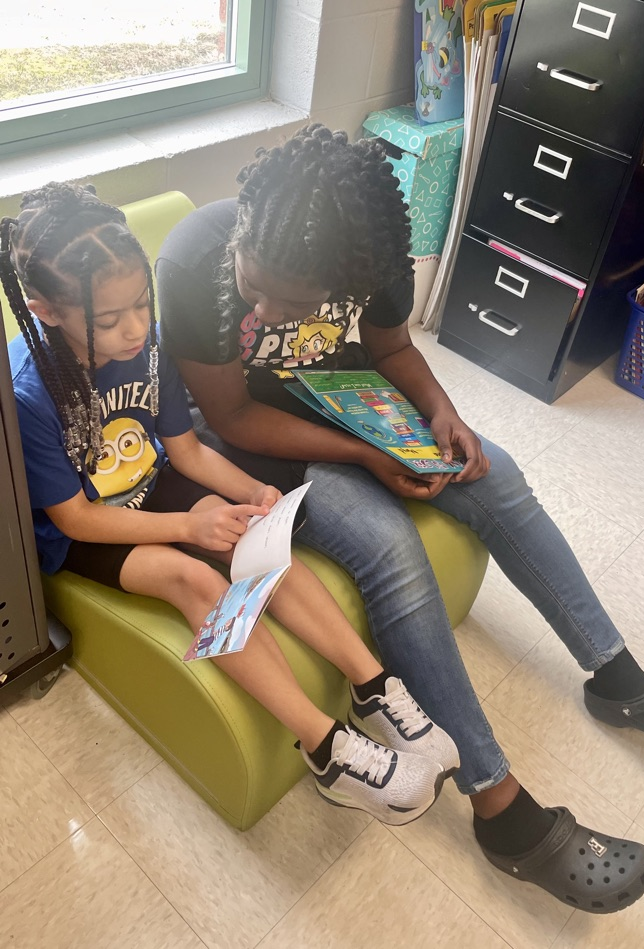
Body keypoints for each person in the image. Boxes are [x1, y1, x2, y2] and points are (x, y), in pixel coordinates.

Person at [155, 124, 644, 915]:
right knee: (389, 548)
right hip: (262, 442)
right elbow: (228, 414)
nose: (262, 309)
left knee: (495, 475)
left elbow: (390, 350)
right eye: (253, 284)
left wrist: (440, 411)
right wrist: (365, 456)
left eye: (290, 302)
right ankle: (499, 804)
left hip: (349, 398)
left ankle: (618, 676)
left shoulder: (371, 252)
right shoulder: (196, 257)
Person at [1, 181, 464, 828]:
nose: (133, 328)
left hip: (149, 482)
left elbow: (186, 451)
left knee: (256, 536)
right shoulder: (29, 392)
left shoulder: (147, 345)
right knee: (191, 573)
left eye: (141, 304)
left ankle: (374, 686)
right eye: (108, 320)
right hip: (83, 527)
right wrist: (189, 523)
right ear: (44, 310)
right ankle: (326, 748)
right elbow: (75, 517)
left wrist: (247, 493)